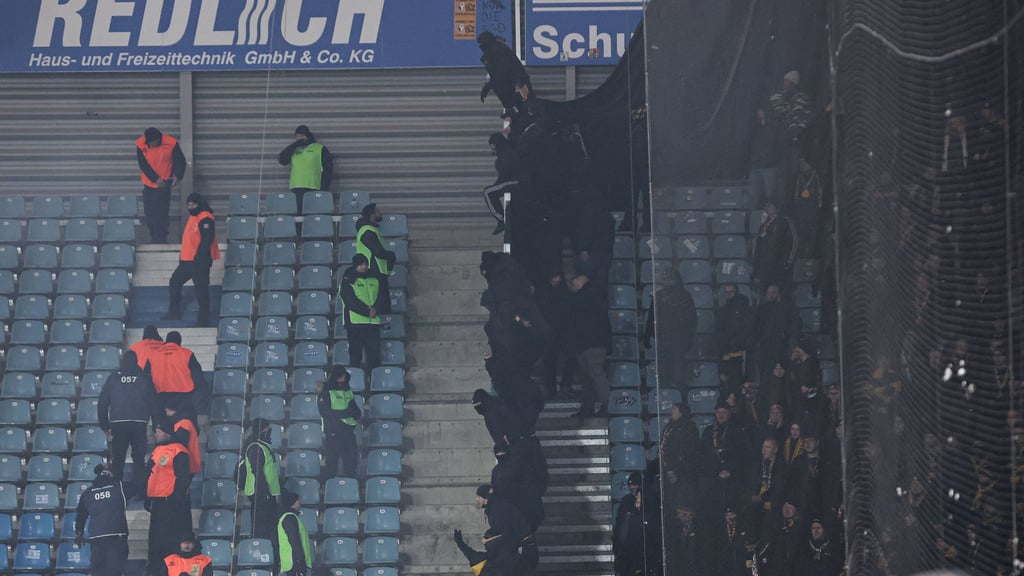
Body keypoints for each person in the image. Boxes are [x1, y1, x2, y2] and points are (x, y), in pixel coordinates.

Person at [98, 350, 158, 498]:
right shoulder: (144, 378)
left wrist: (104, 425)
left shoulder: (113, 378)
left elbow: (102, 403)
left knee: (118, 460)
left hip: (118, 424)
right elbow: (154, 403)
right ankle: (139, 491)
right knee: (139, 459)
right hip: (139, 423)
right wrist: (156, 425)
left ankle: (117, 492)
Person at [162, 192, 220, 326]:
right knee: (175, 282)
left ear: (199, 204)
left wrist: (199, 258)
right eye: (188, 205)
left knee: (201, 291)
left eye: (193, 204)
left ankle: (203, 320)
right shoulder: (193, 217)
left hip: (200, 262)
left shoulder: (205, 217)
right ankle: (174, 312)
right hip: (187, 261)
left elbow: (207, 239)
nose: (190, 207)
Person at [146, 418, 192, 573]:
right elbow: (150, 474)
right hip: (158, 503)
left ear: (167, 433)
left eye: (158, 431)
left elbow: (183, 478)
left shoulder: (179, 450)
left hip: (171, 503)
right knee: (155, 542)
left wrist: (178, 501)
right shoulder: (157, 450)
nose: (155, 435)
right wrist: (147, 497)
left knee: (169, 540)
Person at [567, 270, 612, 418]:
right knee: (588, 376)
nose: (572, 287)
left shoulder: (583, 299)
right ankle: (591, 406)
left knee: (594, 375)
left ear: (580, 283)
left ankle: (605, 405)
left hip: (588, 343)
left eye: (574, 284)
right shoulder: (597, 296)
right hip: (592, 343)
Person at [643, 268, 697, 391]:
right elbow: (652, 317)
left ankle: (680, 399)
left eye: (670, 278)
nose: (667, 281)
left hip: (679, 341)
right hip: (663, 340)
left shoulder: (685, 296)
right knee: (663, 372)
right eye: (665, 278)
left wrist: (689, 339)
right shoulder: (659, 295)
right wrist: (647, 335)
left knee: (678, 373)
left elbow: (692, 320)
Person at [75, 463, 129, 576]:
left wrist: (79, 531)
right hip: (116, 535)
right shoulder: (119, 487)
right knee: (115, 571)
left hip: (96, 538)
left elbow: (80, 515)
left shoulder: (87, 493)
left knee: (98, 571)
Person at [136, 127, 187, 244]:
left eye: (152, 142)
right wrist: (155, 179)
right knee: (149, 213)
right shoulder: (140, 144)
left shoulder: (171, 143)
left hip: (164, 184)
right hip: (149, 184)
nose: (150, 145)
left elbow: (180, 161)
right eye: (148, 142)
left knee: (161, 213)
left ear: (158, 139)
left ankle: (161, 238)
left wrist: (177, 176)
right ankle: (154, 236)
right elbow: (143, 164)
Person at [146, 331, 208, 423]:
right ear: (179, 342)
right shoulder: (187, 353)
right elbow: (198, 377)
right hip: (183, 397)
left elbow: (145, 377)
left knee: (162, 428)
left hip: (160, 396)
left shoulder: (152, 355)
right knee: (184, 425)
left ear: (166, 341)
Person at [237, 418, 281, 541]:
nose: (269, 431)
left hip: (267, 494)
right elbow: (258, 473)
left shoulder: (264, 446)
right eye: (267, 429)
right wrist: (264, 492)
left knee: (269, 528)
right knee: (261, 529)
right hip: (260, 494)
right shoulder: (256, 448)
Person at [338, 254, 384, 370]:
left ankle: (373, 380)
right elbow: (350, 301)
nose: (364, 267)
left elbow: (381, 297)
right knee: (355, 356)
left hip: (373, 324)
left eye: (365, 264)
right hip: (355, 324)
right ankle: (356, 383)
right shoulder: (348, 280)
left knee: (374, 356)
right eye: (361, 264)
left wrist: (376, 309)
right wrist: (366, 311)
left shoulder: (374, 279)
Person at [318, 365, 362, 480]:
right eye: (340, 377)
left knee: (351, 460)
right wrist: (345, 413)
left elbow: (353, 406)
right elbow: (325, 412)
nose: (342, 379)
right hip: (333, 431)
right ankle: (328, 484)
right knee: (331, 462)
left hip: (348, 430)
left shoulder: (347, 389)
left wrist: (357, 414)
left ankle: (352, 484)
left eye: (343, 377)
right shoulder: (325, 391)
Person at [277, 124, 333, 214]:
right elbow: (282, 160)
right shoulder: (294, 149)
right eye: (297, 137)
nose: (299, 138)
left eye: (302, 136)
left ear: (308, 136)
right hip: (297, 188)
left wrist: (324, 187)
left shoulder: (319, 148)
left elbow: (328, 169)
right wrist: (294, 145)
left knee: (313, 214)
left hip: (314, 187)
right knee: (298, 215)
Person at [355, 203, 396, 313]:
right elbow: (377, 251)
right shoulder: (368, 231)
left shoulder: (368, 230)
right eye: (377, 211)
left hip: (374, 271)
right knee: (380, 305)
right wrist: (390, 256)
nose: (380, 213)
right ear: (372, 215)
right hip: (374, 271)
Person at [477, 31, 530, 113]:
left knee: (523, 109)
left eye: (481, 44)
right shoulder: (500, 48)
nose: (480, 47)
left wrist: (488, 86)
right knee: (526, 108)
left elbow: (499, 74)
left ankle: (517, 111)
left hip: (514, 85)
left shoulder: (493, 53)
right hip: (519, 83)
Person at [752, 201, 797, 293]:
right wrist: (756, 269)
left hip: (778, 267)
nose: (767, 208)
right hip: (764, 269)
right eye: (766, 206)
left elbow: (793, 241)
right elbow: (758, 248)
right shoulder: (763, 226)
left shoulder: (784, 222)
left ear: (776, 207)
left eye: (770, 205)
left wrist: (787, 262)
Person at [715, 283, 753, 388]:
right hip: (727, 352)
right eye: (726, 292)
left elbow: (748, 330)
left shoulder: (746, 310)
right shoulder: (722, 311)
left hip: (742, 352)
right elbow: (719, 333)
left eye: (731, 292)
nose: (728, 295)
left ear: (736, 292)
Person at [484, 132, 519, 235]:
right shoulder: (509, 151)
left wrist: (496, 187)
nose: (493, 149)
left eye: (493, 146)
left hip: (515, 183)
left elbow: (504, 176)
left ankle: (502, 219)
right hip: (514, 182)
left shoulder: (506, 154)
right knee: (492, 190)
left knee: (488, 192)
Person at [749, 105, 783, 208]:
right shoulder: (755, 127)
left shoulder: (774, 126)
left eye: (760, 110)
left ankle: (772, 221)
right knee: (753, 197)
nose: (758, 113)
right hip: (755, 166)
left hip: (769, 166)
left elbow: (776, 144)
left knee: (770, 196)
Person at [165, 396, 201, 478]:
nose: (167, 414)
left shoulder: (183, 423)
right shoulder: (186, 421)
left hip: (185, 464)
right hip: (188, 463)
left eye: (168, 411)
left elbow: (181, 444)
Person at [277, 492, 312, 576]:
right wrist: (300, 560)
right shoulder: (290, 518)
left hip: (294, 561)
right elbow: (294, 540)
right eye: (298, 500)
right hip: (294, 562)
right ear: (293, 502)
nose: (300, 502)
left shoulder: (290, 517)